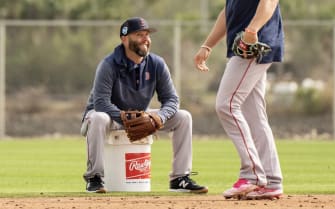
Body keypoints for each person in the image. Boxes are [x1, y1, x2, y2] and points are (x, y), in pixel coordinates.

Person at [81, 17, 208, 194]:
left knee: (183, 117)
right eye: (139, 35)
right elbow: (101, 103)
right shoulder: (109, 64)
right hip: (109, 117)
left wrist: (158, 117)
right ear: (124, 39)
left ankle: (180, 178)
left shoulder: (156, 63)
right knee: (98, 117)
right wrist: (129, 118)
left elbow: (172, 99)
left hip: (140, 115)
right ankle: (94, 178)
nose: (145, 39)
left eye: (147, 34)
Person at [194, 0, 284, 200]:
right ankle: (271, 181)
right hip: (244, 44)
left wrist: (253, 28)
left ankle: (251, 174)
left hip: (255, 43)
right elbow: (228, 11)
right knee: (254, 116)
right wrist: (208, 45)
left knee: (226, 104)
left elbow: (269, 1)